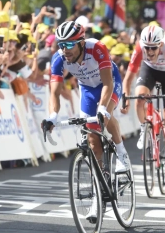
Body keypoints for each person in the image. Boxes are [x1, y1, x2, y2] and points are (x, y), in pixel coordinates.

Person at [44, 21, 131, 219]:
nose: (64, 50)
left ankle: (122, 153)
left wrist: (102, 110)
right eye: (60, 44)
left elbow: (108, 83)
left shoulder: (97, 48)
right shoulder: (58, 58)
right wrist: (52, 116)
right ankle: (99, 191)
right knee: (91, 137)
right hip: (88, 90)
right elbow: (54, 93)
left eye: (68, 45)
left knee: (105, 117)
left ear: (81, 43)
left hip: (109, 83)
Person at [121, 24, 165, 185]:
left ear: (160, 45)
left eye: (153, 48)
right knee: (139, 98)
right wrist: (125, 99)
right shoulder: (139, 49)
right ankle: (144, 127)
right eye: (147, 48)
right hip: (149, 70)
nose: (150, 52)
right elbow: (128, 79)